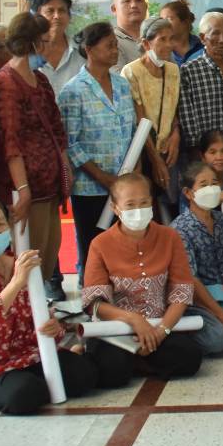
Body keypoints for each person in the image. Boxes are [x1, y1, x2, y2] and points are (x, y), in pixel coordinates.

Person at [0, 198, 109, 413]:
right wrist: (15, 284)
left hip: (29, 356)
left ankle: (36, 382)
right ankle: (18, 387)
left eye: (1, 224)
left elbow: (37, 321)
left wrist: (53, 327)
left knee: (85, 376)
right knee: (24, 395)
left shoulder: (20, 263)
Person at [82, 172, 204, 381]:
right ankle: (136, 362)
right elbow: (95, 303)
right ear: (115, 208)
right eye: (130, 205)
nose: (138, 210)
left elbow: (181, 292)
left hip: (159, 324)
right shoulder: (100, 244)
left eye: (144, 203)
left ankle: (137, 361)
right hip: (117, 329)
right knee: (113, 370)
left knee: (190, 357)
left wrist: (162, 330)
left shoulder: (169, 237)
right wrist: (133, 320)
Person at [0, 13, 71, 302]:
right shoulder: (6, 83)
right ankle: (25, 317)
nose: (49, 48)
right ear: (32, 43)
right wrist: (22, 189)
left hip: (49, 186)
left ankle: (38, 314)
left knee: (47, 254)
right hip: (25, 190)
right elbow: (9, 142)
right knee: (26, 256)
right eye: (45, 42)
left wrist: (64, 171)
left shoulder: (41, 79)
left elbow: (57, 130)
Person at [58, 22, 140, 274]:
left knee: (124, 246)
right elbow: (71, 143)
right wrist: (103, 177)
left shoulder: (123, 85)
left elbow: (132, 131)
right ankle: (92, 298)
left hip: (123, 184)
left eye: (116, 45)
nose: (115, 51)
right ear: (90, 49)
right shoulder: (73, 91)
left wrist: (130, 175)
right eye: (109, 46)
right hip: (90, 186)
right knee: (93, 245)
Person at [172, 160, 223, 356]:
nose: (212, 189)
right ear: (188, 193)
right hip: (201, 301)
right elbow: (192, 281)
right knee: (219, 339)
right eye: (204, 185)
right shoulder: (179, 229)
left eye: (214, 183)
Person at [177, 10, 223, 169]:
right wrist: (198, 157)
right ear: (203, 38)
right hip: (202, 161)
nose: (222, 40)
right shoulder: (188, 71)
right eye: (215, 33)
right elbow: (187, 119)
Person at [121, 15, 181, 198]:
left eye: (171, 38)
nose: (169, 44)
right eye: (162, 39)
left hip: (169, 150)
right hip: (143, 152)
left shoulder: (173, 70)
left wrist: (175, 135)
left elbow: (175, 107)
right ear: (146, 43)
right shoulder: (131, 72)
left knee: (170, 206)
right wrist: (156, 160)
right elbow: (139, 121)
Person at [30, 0, 84, 94]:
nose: (57, 16)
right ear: (37, 16)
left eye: (62, 10)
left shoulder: (82, 51)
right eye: (50, 11)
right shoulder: (28, 52)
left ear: (69, 16)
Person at [109, 0, 148, 68]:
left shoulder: (158, 36)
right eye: (126, 1)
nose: (134, 5)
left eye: (139, 0)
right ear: (114, 9)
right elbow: (119, 79)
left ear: (146, 7)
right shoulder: (109, 41)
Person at [160, 0, 204, 66]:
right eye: (162, 20)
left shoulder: (202, 46)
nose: (164, 23)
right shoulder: (160, 49)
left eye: (169, 19)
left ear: (185, 22)